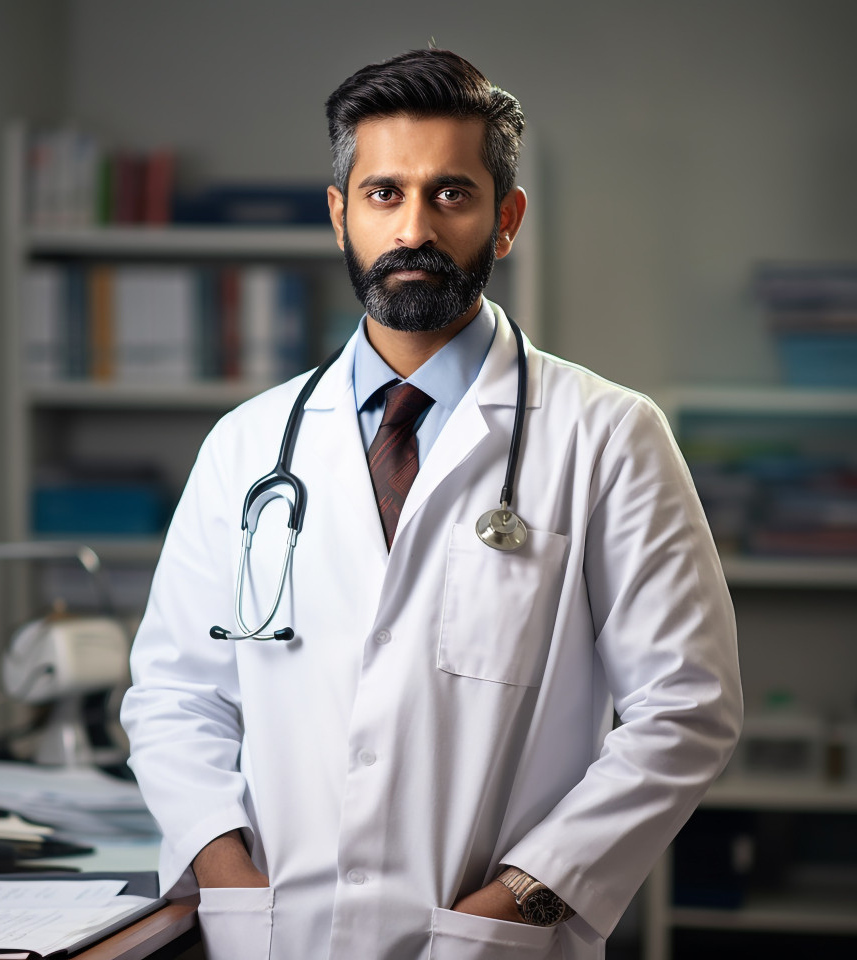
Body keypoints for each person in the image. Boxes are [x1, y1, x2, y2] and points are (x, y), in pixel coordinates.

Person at [121, 49, 742, 960]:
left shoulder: (609, 435)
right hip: (276, 937)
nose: (414, 228)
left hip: (489, 943)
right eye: (382, 195)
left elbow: (686, 709)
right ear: (339, 214)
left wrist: (520, 902)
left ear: (507, 219)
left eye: (451, 194)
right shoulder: (248, 445)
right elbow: (175, 696)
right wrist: (227, 878)